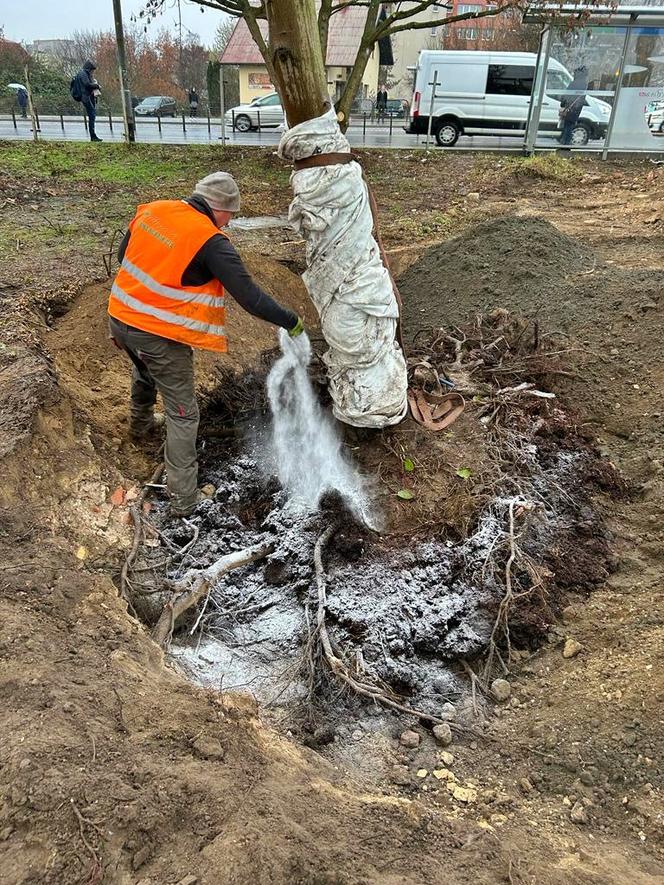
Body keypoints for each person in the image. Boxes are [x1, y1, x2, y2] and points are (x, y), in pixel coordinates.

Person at [108, 172, 305, 518]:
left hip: (120, 317)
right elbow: (250, 297)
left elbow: (126, 257)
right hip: (157, 335)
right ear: (219, 208)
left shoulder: (154, 211)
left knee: (144, 371)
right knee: (184, 414)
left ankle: (139, 427)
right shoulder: (211, 242)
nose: (230, 222)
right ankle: (184, 500)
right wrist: (291, 320)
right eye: (231, 215)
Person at [559, 67, 588, 148]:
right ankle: (566, 142)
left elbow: (567, 94)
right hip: (576, 108)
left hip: (570, 106)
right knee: (570, 125)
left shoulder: (574, 83)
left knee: (567, 125)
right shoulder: (584, 84)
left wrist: (563, 103)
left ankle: (565, 142)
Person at [75, 59, 103, 142]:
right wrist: (97, 86)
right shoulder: (83, 74)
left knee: (92, 115)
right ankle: (92, 135)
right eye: (92, 70)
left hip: (88, 97)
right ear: (89, 69)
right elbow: (87, 85)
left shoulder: (84, 74)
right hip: (86, 98)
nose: (92, 72)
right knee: (92, 115)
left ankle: (93, 134)